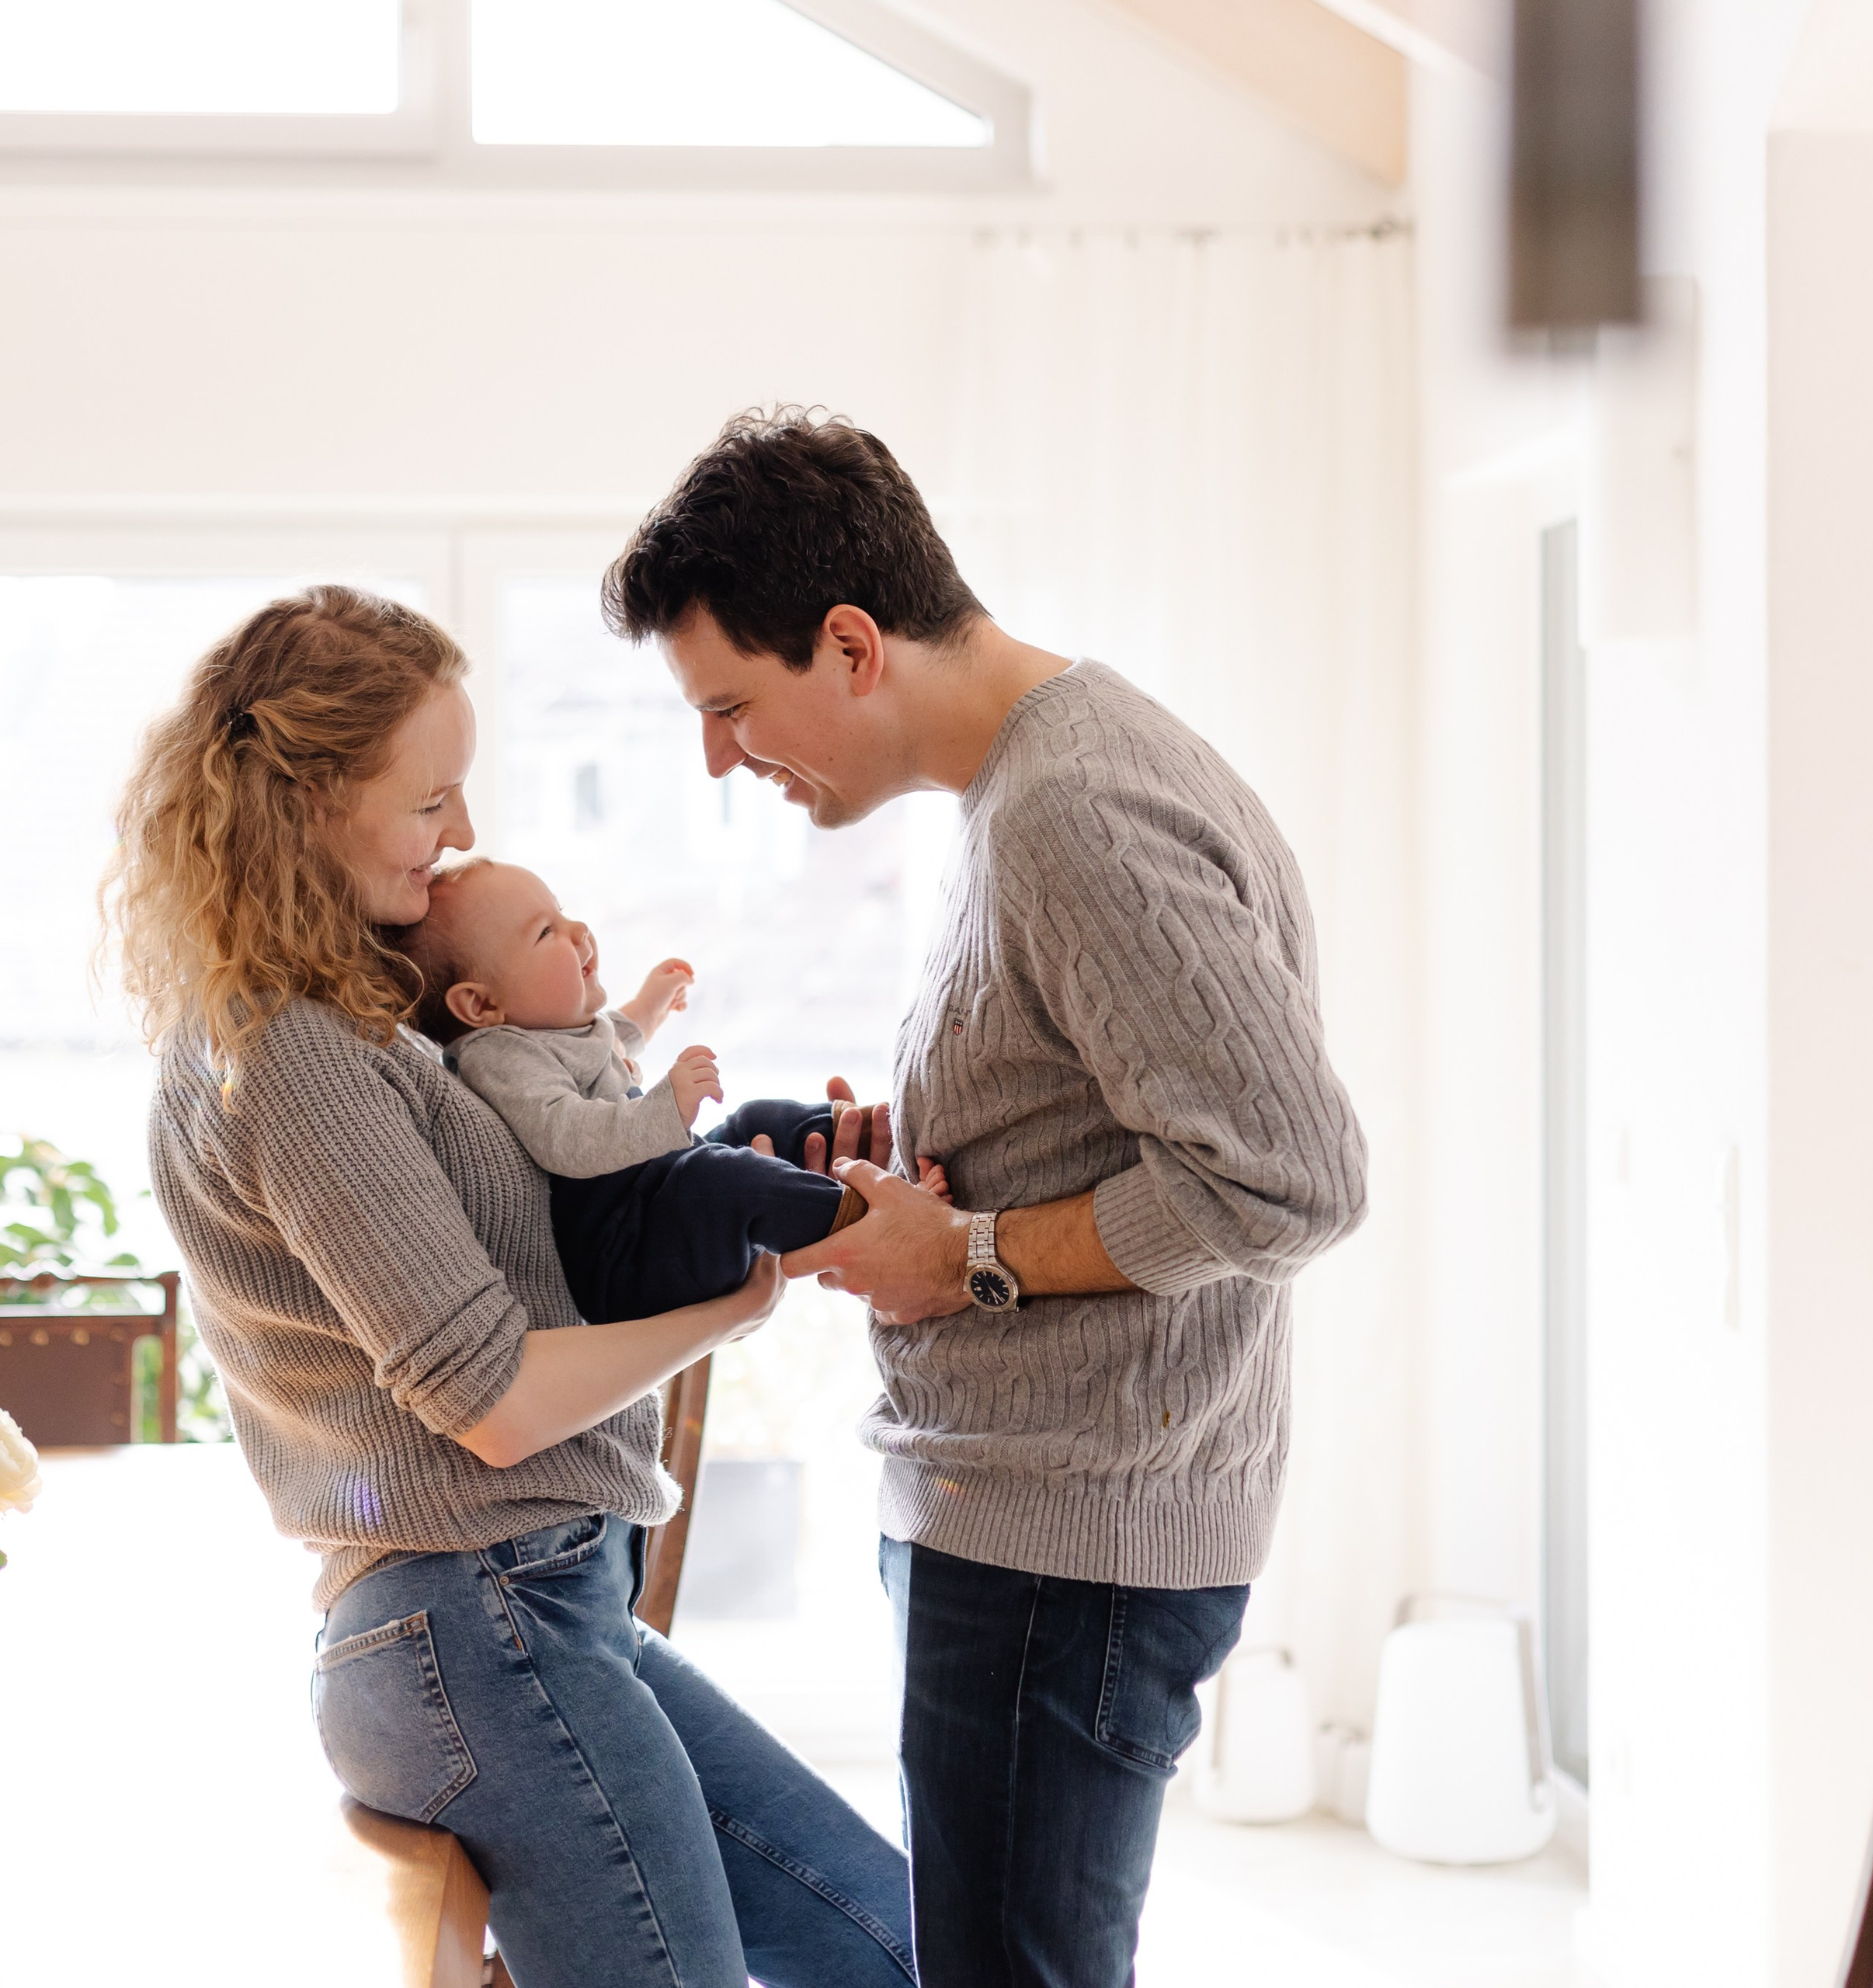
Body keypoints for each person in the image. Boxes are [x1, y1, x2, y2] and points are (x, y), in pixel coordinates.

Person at [604, 410, 1370, 1988]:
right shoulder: (1028, 790)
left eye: (733, 705)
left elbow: (1288, 1177)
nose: (719, 757)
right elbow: (1116, 1094)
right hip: (1033, 1534)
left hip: (1057, 1554)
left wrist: (961, 1256)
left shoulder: (1070, 811)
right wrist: (938, 1143)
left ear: (849, 642)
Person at [106, 585, 916, 1988]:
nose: (464, 835)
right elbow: (489, 1400)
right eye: (433, 801)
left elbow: (556, 1224)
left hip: (528, 1612)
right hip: (481, 1619)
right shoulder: (290, 1054)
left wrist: (739, 1167)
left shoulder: (354, 1025)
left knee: (893, 1943)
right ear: (306, 802)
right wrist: (734, 1309)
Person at [389, 855, 889, 1323]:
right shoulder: (499, 1056)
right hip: (626, 1251)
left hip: (659, 1193)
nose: (579, 930)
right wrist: (664, 1108)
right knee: (727, 1180)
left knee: (758, 1122)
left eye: (561, 913)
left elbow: (611, 1036)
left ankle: (878, 1144)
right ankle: (876, 1229)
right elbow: (564, 1135)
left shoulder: (545, 1031)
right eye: (546, 932)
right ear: (479, 1007)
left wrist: (651, 1003)